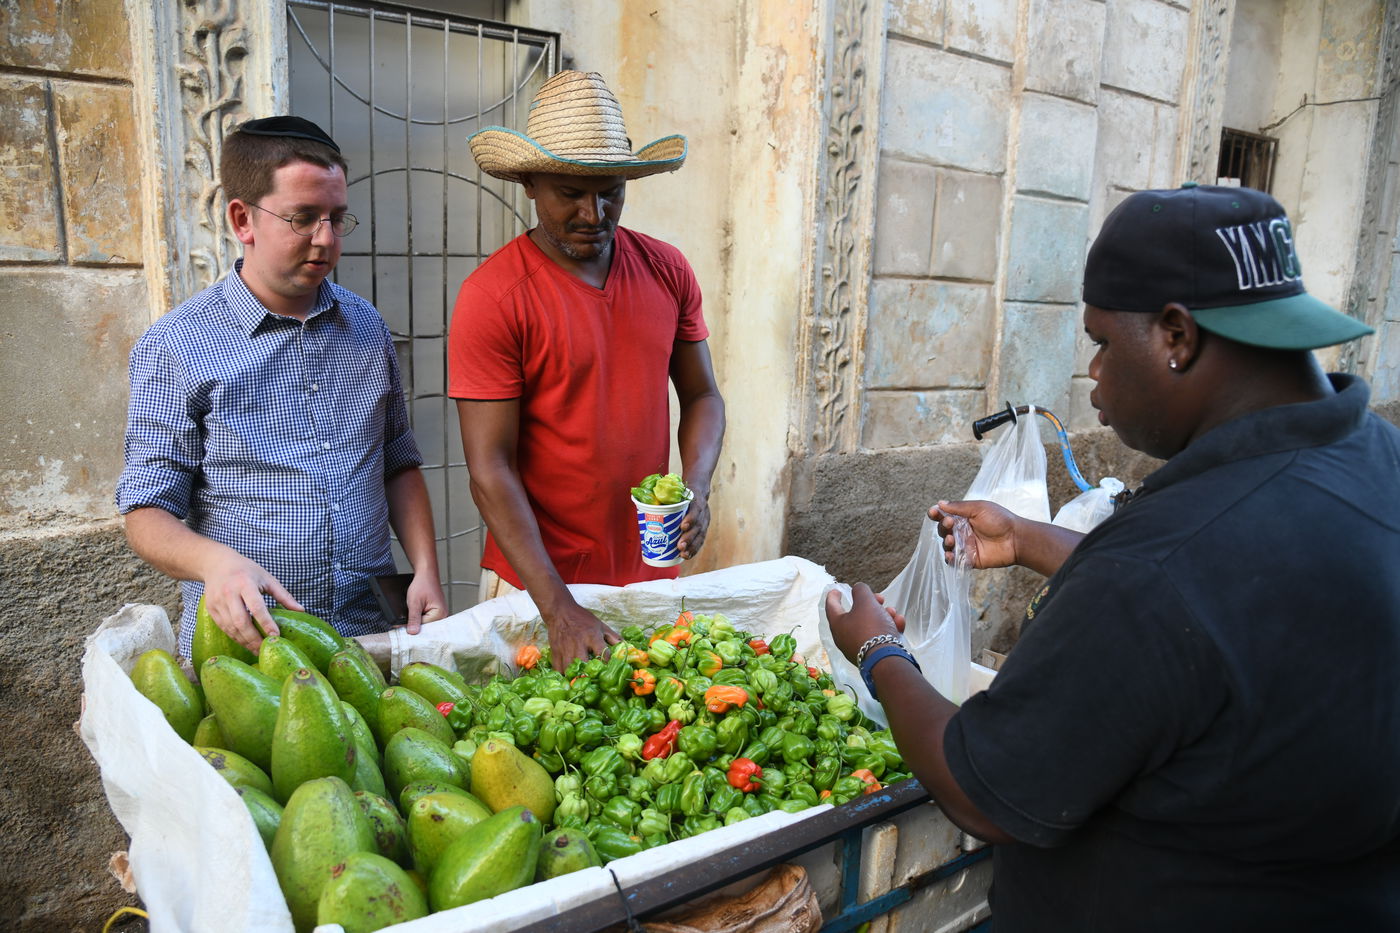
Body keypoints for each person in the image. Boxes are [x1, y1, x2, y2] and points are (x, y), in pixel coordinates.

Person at [826, 183, 1400, 930]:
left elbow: (981, 787)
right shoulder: (1376, 461)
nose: (1092, 370)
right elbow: (1236, 607)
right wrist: (1031, 538)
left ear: (1176, 335)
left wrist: (876, 649)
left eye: (1100, 340)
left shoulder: (1160, 566)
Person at [118, 116, 446, 657]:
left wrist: (426, 570)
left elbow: (396, 460)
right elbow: (146, 513)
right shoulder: (176, 345)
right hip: (249, 645)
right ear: (243, 219)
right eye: (302, 219)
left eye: (338, 219)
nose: (325, 240)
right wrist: (214, 563)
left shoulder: (368, 329)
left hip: (371, 631)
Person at [448, 71, 725, 670]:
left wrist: (697, 487)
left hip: (651, 576)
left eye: (610, 192)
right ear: (527, 183)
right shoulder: (493, 297)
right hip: (537, 588)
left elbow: (702, 396)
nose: (592, 212)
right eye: (568, 192)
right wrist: (558, 608)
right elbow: (488, 469)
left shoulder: (666, 269)